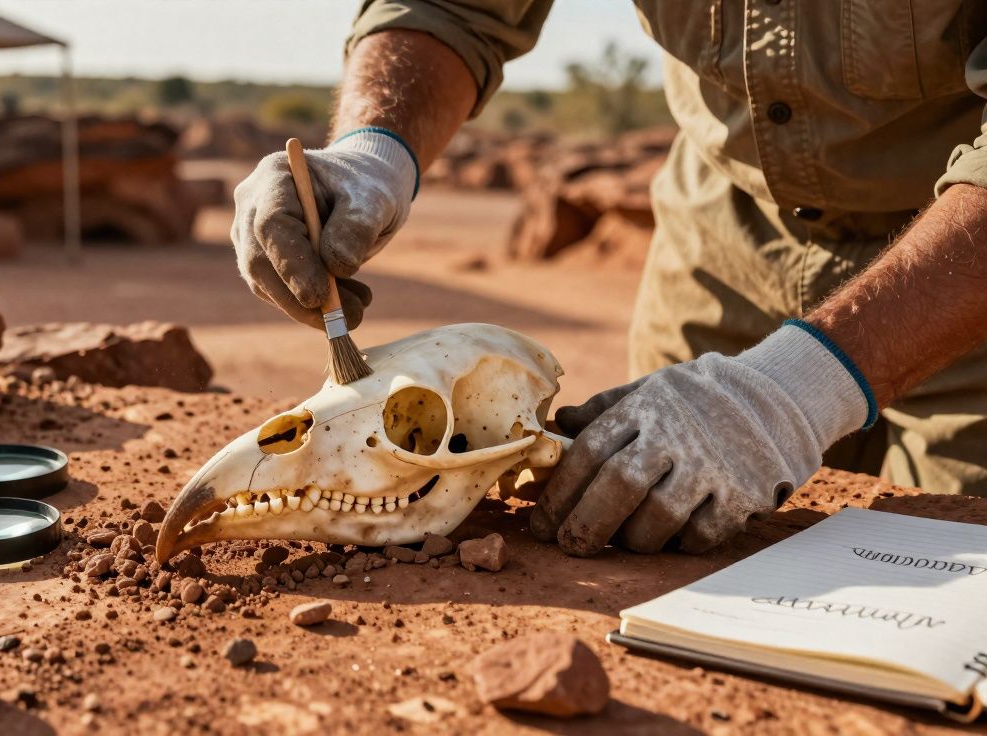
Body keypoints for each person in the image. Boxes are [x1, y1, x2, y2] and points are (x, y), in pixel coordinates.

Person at [230, 1, 987, 556]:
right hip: (722, 251)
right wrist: (375, 148)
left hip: (963, 281)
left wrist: (793, 390)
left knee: (938, 597)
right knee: (671, 550)